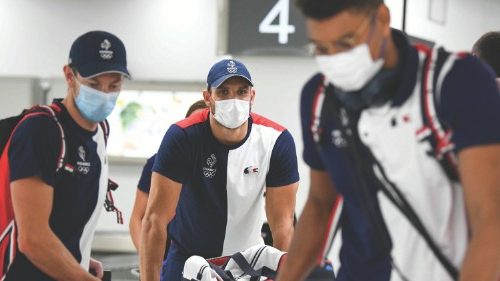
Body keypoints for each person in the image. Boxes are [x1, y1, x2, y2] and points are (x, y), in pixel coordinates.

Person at [276, 1, 500, 281]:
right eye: (322, 49)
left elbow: (490, 218)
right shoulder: (320, 99)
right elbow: (320, 205)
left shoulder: (455, 83)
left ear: (381, 19)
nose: (335, 59)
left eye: (347, 43)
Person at [140, 59, 300, 281]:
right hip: (187, 262)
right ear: (208, 98)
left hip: (248, 264)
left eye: (241, 91)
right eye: (223, 92)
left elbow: (283, 224)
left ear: (252, 96)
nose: (233, 100)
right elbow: (155, 220)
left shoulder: (277, 140)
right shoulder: (182, 137)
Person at [0, 31, 130, 280]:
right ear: (70, 76)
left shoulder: (101, 130)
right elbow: (33, 238)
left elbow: (64, 220)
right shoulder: (42, 130)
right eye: (93, 84)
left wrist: (79, 256)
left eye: (114, 85)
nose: (104, 94)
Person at [129, 99, 208, 255]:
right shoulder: (158, 162)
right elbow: (137, 219)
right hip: (166, 254)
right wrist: (148, 260)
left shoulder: (223, 164)